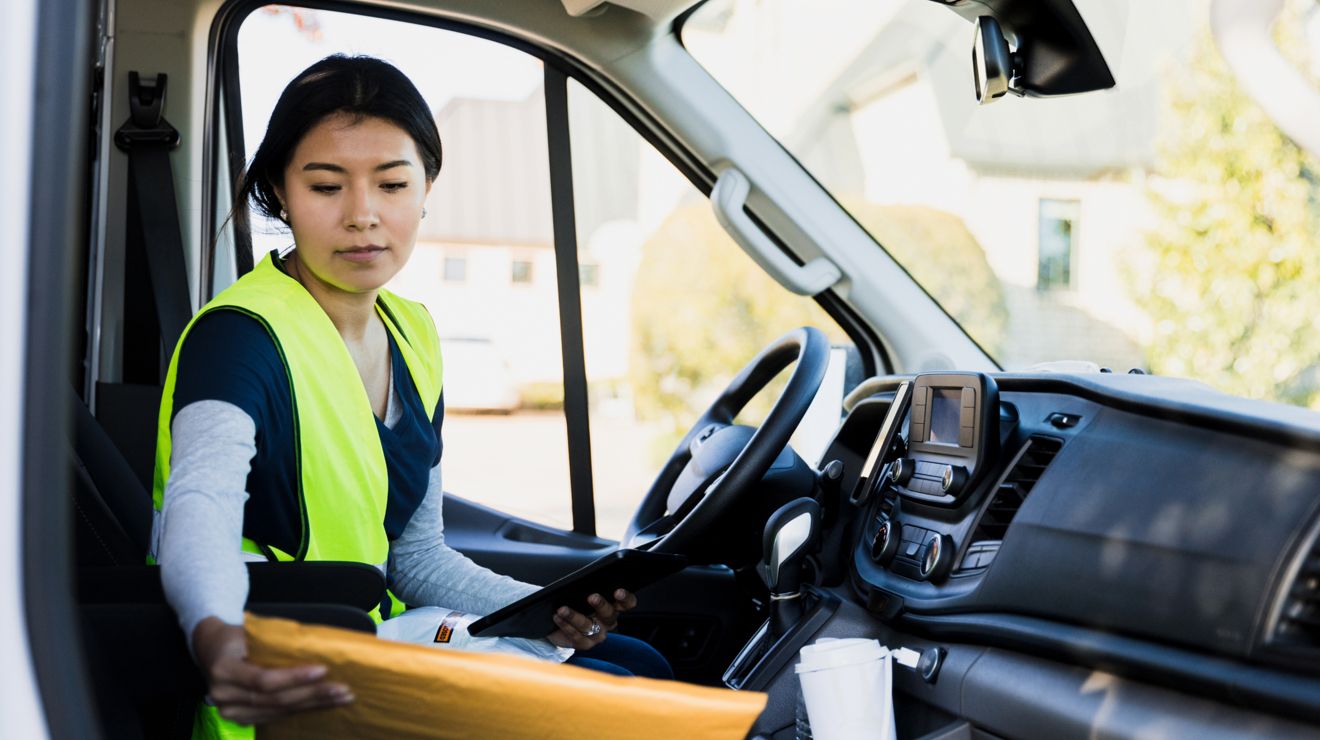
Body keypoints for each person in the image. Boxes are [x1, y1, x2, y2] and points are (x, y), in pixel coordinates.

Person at [152, 54, 672, 736]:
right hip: (290, 687)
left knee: (640, 663)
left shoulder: (413, 332)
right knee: (625, 700)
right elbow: (198, 506)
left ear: (426, 188)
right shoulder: (239, 336)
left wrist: (547, 607)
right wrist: (219, 639)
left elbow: (414, 556)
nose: (363, 216)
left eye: (392, 184)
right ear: (280, 192)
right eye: (326, 186)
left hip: (371, 643)